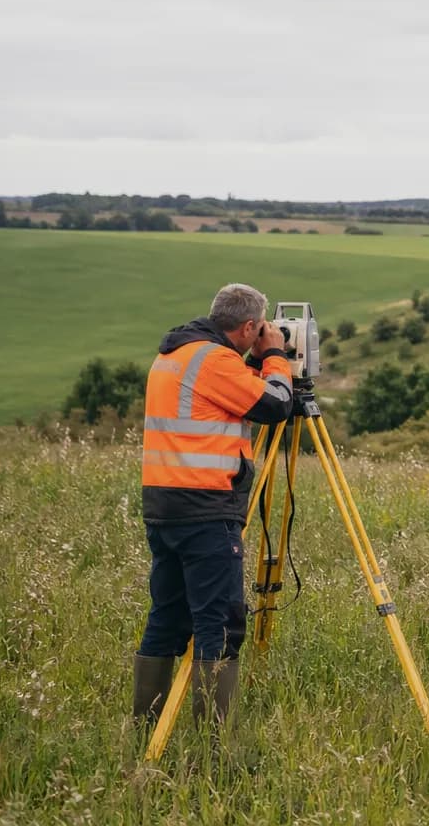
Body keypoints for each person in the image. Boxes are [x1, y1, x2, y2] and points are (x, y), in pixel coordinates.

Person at [131, 283, 293, 728]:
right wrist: (275, 357)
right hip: (204, 507)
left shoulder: (175, 354)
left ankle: (146, 728)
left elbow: (231, 400)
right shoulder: (214, 360)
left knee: (169, 614)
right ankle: (212, 743)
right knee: (218, 623)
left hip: (165, 505)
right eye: (258, 330)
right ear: (247, 327)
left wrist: (257, 362)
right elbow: (277, 404)